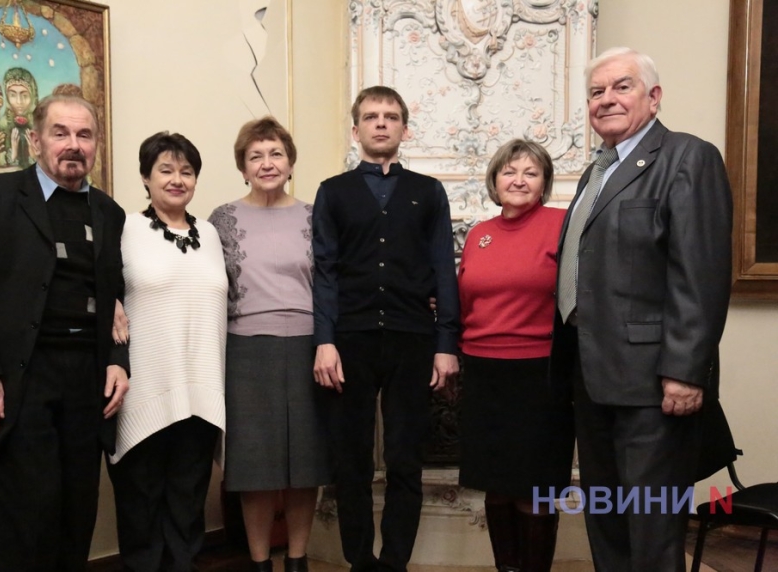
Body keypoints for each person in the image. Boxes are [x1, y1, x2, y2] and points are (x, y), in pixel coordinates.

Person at [550, 47, 732, 571]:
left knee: (651, 530)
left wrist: (685, 373)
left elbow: (700, 274)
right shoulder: (595, 173)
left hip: (653, 386)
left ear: (654, 97)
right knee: (607, 524)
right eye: (596, 92)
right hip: (592, 379)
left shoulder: (688, 158)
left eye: (621, 86)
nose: (606, 99)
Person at [0, 94, 129, 571]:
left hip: (87, 386)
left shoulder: (110, 212)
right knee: (26, 521)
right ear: (37, 140)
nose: (73, 144)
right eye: (60, 133)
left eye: (84, 135)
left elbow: (116, 298)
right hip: (20, 383)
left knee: (76, 516)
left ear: (97, 145)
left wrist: (118, 362)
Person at [312, 86, 460, 572]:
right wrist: (324, 341)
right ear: (356, 130)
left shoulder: (429, 191)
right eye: (372, 116)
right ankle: (360, 561)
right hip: (349, 340)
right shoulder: (333, 191)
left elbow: (443, 269)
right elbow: (325, 271)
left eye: (391, 116)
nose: (381, 123)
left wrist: (446, 343)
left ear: (404, 129)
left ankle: (395, 562)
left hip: (412, 338)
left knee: (404, 459)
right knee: (351, 460)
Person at [208, 117, 330, 572]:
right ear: (242, 167)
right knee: (254, 467)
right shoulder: (222, 219)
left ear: (291, 162)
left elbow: (332, 284)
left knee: (305, 465)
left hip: (308, 348)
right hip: (245, 351)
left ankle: (297, 560)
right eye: (255, 156)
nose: (267, 163)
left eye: (276, 153)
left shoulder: (316, 216)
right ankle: (260, 563)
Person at [107, 131, 227, 572]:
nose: (177, 179)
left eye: (187, 171)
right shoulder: (125, 229)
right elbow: (101, 288)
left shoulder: (210, 233)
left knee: (187, 504)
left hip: (202, 391)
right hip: (144, 389)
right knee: (140, 505)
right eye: (166, 170)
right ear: (146, 177)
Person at [458, 140, 574, 572]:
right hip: (482, 372)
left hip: (539, 374)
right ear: (495, 180)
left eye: (531, 172)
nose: (519, 180)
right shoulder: (478, 234)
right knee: (496, 486)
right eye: (509, 171)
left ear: (544, 183)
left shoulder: (562, 225)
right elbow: (466, 302)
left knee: (534, 488)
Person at [0, 67, 38, 168]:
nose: (19, 102)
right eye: (13, 95)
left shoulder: (39, 124)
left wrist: (33, 155)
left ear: (32, 96)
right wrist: (13, 154)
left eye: (25, 96)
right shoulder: (3, 124)